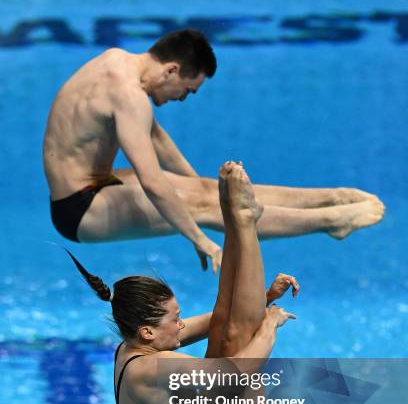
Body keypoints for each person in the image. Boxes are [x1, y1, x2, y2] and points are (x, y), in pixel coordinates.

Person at [45, 28, 385, 274]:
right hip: (79, 209)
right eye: (188, 90)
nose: (182, 98)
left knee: (209, 194)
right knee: (207, 207)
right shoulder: (130, 97)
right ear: (171, 70)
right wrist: (199, 238)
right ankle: (330, 221)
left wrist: (206, 189)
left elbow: (156, 138)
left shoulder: (116, 61)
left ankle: (329, 197)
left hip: (90, 185)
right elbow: (151, 181)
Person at [68, 161, 299, 404]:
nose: (181, 324)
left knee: (224, 322)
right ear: (147, 332)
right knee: (236, 343)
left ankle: (234, 217)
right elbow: (234, 375)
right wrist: (269, 326)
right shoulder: (148, 369)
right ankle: (245, 220)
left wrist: (263, 298)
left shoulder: (134, 344)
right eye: (174, 319)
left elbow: (217, 319)